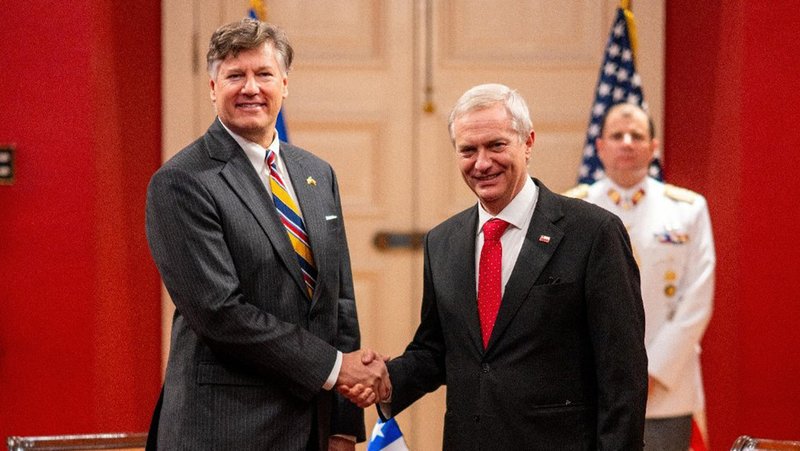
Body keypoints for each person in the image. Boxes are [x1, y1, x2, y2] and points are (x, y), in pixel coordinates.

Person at [343, 83, 648, 449]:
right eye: (468, 150)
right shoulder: (443, 242)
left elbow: (623, 374)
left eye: (496, 145)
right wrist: (386, 379)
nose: (482, 163)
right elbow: (436, 349)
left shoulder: (593, 233)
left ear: (528, 142)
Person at [145, 19, 389, 451]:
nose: (250, 88)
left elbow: (339, 301)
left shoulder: (316, 173)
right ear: (212, 87)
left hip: (311, 428)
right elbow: (220, 313)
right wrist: (337, 369)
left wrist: (344, 424)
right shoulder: (182, 182)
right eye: (235, 76)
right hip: (223, 430)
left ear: (285, 84)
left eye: (264, 74)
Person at [565, 102, 715, 451]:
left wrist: (651, 372)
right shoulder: (572, 210)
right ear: (600, 147)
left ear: (654, 146)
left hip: (666, 388)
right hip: (595, 385)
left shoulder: (688, 210)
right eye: (617, 135)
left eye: (637, 135)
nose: (627, 142)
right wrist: (613, 375)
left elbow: (697, 300)